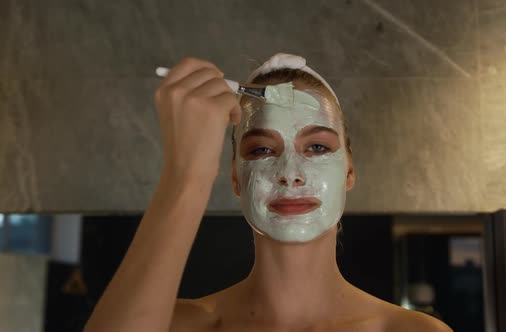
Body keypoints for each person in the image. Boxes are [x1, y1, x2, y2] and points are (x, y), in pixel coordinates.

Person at [84, 54, 452, 332]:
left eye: (318, 148)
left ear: (349, 172)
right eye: (261, 150)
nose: (290, 175)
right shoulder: (180, 324)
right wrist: (187, 174)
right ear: (234, 178)